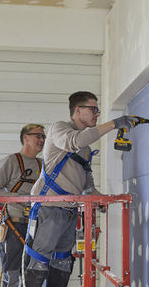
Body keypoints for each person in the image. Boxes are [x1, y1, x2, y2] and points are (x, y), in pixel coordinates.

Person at [24, 91, 138, 287]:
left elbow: (88, 187)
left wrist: (105, 199)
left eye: (98, 110)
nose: (97, 114)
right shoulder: (60, 129)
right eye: (93, 109)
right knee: (38, 261)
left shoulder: (85, 149)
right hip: (49, 208)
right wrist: (114, 124)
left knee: (62, 262)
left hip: (69, 211)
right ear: (78, 110)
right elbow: (74, 141)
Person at [0, 124, 46, 287]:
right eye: (37, 136)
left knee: (34, 272)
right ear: (25, 137)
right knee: (12, 273)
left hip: (36, 226)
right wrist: (20, 198)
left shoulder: (43, 165)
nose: (42, 140)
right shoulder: (11, 161)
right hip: (14, 224)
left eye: (43, 137)